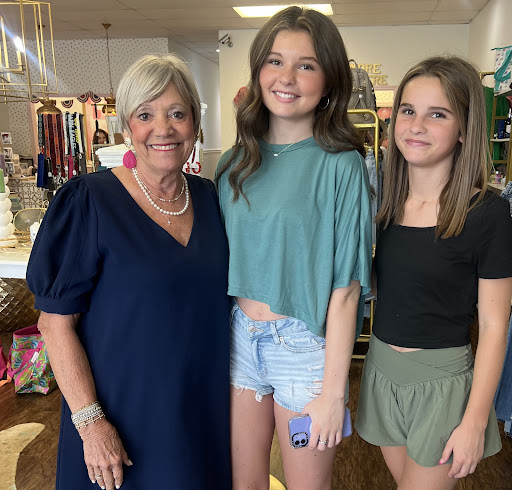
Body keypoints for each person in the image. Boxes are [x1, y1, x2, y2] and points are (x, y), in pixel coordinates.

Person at [26, 54, 231, 490]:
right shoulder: (88, 201)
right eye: (145, 115)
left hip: (200, 413)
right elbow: (54, 325)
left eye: (177, 113)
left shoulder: (211, 198)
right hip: (118, 419)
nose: (164, 129)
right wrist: (91, 425)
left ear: (195, 124)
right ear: (126, 128)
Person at [216, 6, 372, 489]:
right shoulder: (233, 162)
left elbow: (347, 288)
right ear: (258, 70)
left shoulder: (341, 164)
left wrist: (333, 393)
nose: (286, 77)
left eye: (306, 65)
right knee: (244, 484)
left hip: (303, 348)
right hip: (238, 338)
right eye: (275, 61)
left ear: (328, 81)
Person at [355, 56, 512, 490]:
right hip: (381, 371)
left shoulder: (488, 214)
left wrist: (474, 420)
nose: (417, 125)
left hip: (442, 383)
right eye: (408, 110)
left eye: (437, 114)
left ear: (463, 129)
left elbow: (495, 326)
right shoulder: (386, 205)